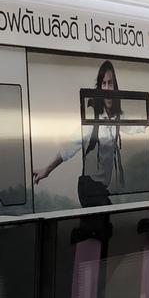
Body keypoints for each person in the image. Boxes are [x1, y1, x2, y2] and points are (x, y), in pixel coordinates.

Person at [34, 59, 124, 207]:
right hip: (89, 187)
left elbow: (138, 126)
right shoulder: (93, 121)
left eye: (110, 83)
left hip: (101, 189)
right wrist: (47, 170)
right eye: (103, 83)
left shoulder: (117, 119)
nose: (107, 88)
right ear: (99, 88)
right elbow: (70, 146)